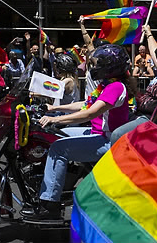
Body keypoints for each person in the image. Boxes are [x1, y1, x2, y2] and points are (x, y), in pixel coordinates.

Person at [22, 44, 135, 220]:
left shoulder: (116, 87)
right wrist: (52, 108)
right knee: (54, 136)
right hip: (95, 132)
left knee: (58, 149)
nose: (94, 67)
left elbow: (89, 113)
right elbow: (84, 104)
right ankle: (64, 178)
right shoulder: (106, 85)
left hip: (106, 140)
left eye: (99, 64)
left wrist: (55, 119)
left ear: (110, 67)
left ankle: (50, 204)